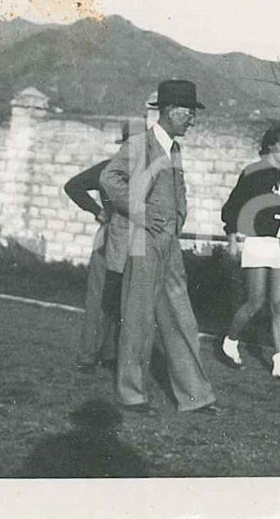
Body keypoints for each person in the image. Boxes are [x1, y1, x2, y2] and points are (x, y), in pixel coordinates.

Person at [100, 79, 221, 415]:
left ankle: (195, 396)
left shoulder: (175, 149)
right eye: (188, 112)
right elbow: (109, 179)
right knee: (138, 318)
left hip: (169, 242)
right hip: (144, 241)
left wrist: (179, 218)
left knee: (182, 317)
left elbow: (178, 189)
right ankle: (131, 393)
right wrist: (140, 211)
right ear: (170, 110)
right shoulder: (141, 144)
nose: (192, 119)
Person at [219, 126, 280, 381]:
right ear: (270, 146)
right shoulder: (252, 173)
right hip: (257, 241)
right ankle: (230, 341)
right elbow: (232, 207)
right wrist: (232, 238)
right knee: (255, 301)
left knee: (278, 304)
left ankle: (279, 361)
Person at [63, 128, 131, 373]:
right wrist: (98, 211)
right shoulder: (108, 168)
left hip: (134, 242)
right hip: (108, 240)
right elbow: (73, 186)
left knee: (121, 301)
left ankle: (110, 353)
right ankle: (88, 356)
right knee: (99, 298)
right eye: (128, 145)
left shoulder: (148, 174)